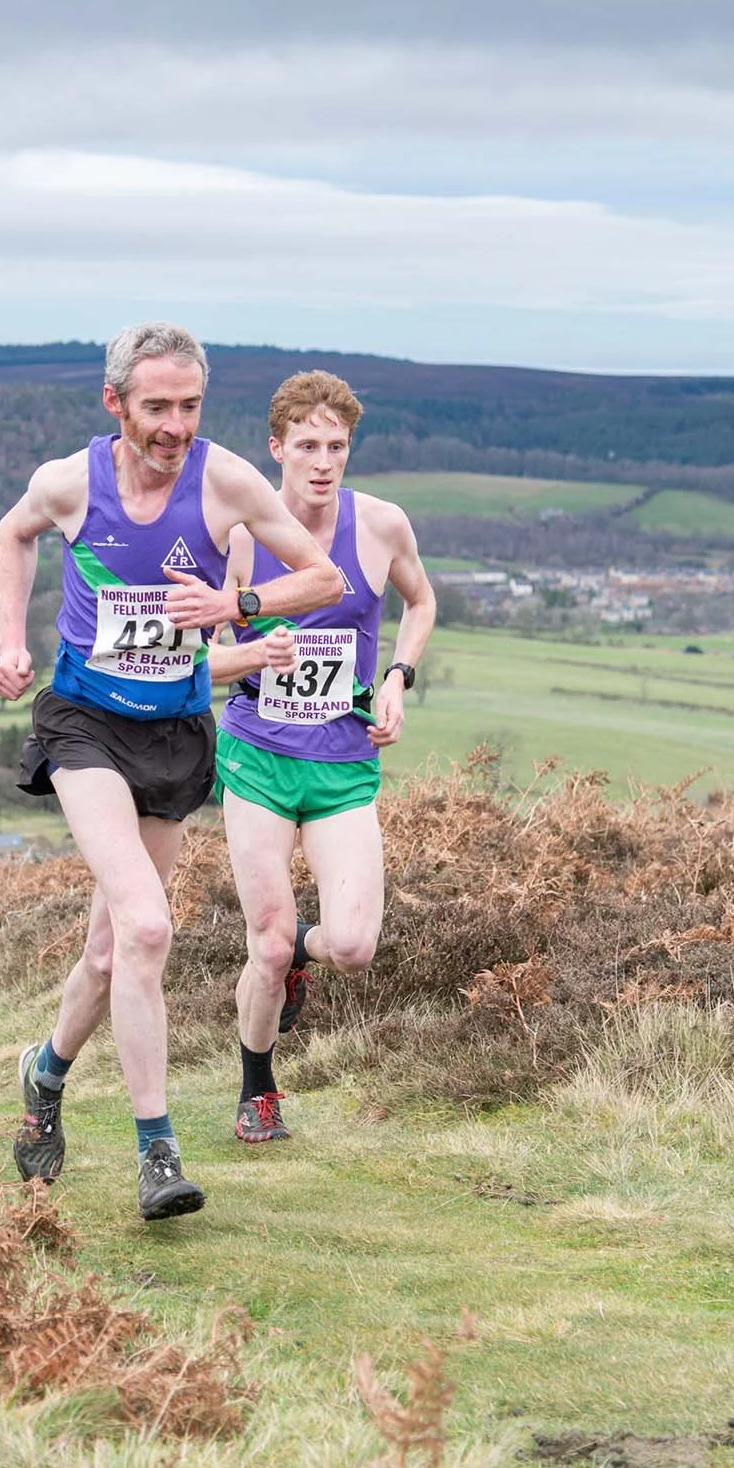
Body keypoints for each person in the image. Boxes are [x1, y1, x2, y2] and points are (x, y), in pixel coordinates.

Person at [0, 322, 343, 1221]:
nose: (175, 425)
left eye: (189, 406)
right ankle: (158, 1151)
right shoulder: (71, 482)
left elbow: (326, 579)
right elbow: (13, 533)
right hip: (84, 727)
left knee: (110, 953)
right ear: (115, 403)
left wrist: (237, 604)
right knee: (148, 929)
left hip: (177, 735)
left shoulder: (225, 480)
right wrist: (9, 641)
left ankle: (46, 1071)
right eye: (156, 407)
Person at [206, 371, 435, 1143]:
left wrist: (399, 677)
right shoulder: (238, 536)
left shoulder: (380, 526)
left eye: (336, 445)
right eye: (306, 445)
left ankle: (306, 950)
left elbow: (422, 600)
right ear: (276, 449)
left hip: (342, 760)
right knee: (265, 944)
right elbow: (200, 656)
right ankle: (257, 1086)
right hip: (258, 757)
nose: (322, 461)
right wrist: (251, 656)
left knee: (353, 946)